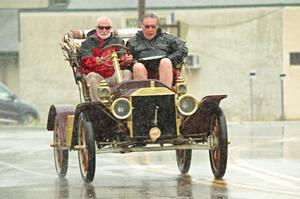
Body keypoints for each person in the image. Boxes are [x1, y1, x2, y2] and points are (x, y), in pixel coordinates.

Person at [126, 13, 188, 88]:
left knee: (165, 62)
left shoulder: (167, 38)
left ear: (157, 26)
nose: (150, 29)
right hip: (142, 71)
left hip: (164, 70)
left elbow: (183, 49)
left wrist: (169, 58)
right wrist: (131, 61)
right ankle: (143, 97)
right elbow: (127, 60)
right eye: (147, 27)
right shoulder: (132, 42)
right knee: (137, 66)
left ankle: (165, 94)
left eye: (153, 26)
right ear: (141, 26)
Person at [80, 16, 132, 102]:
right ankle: (99, 105)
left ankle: (122, 102)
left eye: (107, 28)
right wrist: (95, 61)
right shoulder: (88, 43)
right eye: (101, 28)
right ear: (96, 28)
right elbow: (85, 60)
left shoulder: (118, 41)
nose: (104, 31)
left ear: (111, 28)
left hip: (114, 74)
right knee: (91, 76)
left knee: (127, 73)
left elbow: (123, 56)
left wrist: (126, 59)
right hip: (98, 76)